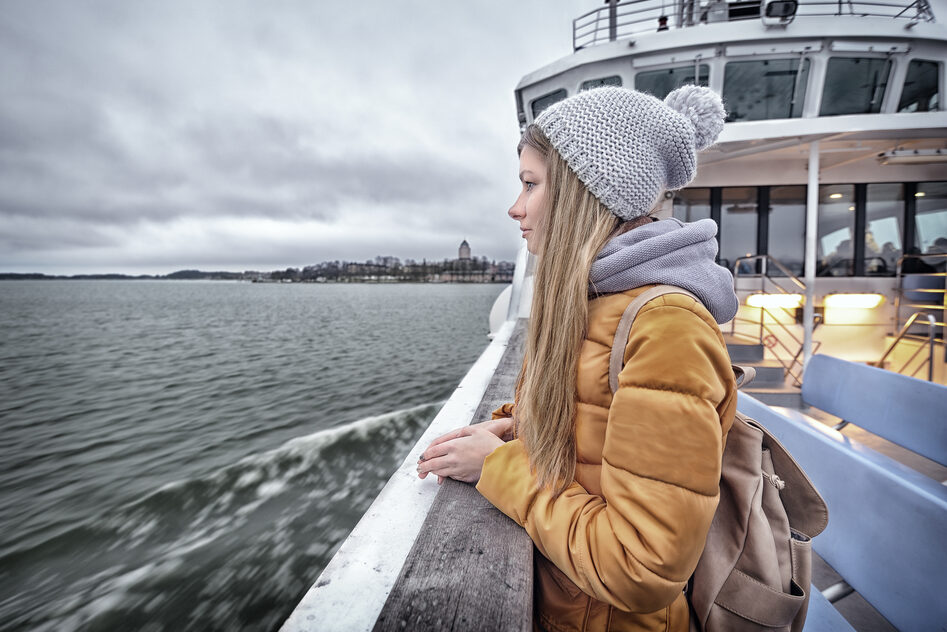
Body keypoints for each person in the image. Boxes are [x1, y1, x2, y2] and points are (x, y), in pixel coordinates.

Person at [417, 85, 739, 632]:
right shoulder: (597, 299)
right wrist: (522, 429)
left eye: (530, 184)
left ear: (583, 190)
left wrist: (496, 466)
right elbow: (606, 430)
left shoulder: (665, 329)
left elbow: (642, 568)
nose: (515, 207)